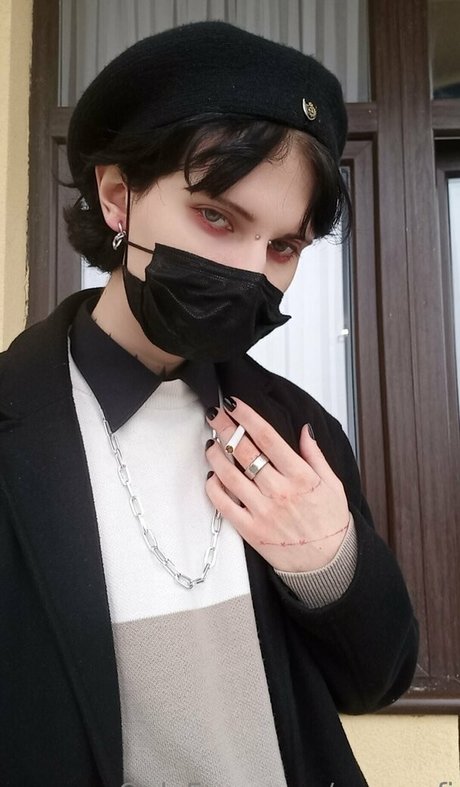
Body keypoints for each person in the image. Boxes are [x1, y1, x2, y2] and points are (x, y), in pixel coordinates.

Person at [0, 20, 418, 787]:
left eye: (284, 247)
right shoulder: (15, 425)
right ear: (118, 196)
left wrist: (330, 563)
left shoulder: (297, 431)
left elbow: (375, 680)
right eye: (218, 217)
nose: (253, 272)